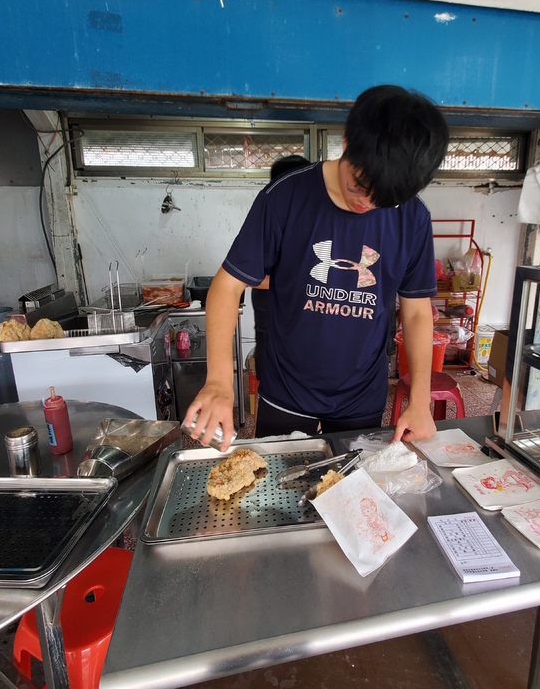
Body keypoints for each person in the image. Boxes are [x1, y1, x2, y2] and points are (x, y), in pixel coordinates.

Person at [184, 85, 449, 449]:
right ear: (345, 141)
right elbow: (227, 285)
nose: (367, 204)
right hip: (287, 389)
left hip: (361, 393)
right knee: (276, 495)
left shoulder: (413, 218)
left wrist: (420, 399)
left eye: (384, 199)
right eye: (359, 186)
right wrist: (218, 381)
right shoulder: (285, 197)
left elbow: (417, 311)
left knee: (350, 490)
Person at [251, 155, 311, 388]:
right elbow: (251, 278)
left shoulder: (311, 221)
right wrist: (295, 281)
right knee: (274, 382)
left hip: (303, 321)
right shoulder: (268, 219)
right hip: (272, 315)